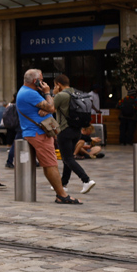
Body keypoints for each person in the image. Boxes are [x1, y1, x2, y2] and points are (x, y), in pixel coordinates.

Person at [16, 69, 80, 204]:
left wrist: (47, 104)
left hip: (36, 132)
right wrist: (47, 93)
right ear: (35, 81)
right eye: (41, 78)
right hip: (38, 133)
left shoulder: (27, 92)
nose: (43, 80)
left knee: (48, 164)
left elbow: (50, 107)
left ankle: (60, 194)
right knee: (51, 164)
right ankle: (62, 195)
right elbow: (51, 107)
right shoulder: (30, 93)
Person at [52, 74, 96, 195]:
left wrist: (53, 94)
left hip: (64, 130)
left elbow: (50, 108)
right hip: (76, 131)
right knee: (68, 157)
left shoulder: (61, 95)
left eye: (55, 85)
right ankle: (63, 183)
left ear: (58, 85)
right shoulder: (76, 93)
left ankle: (86, 180)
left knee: (67, 158)